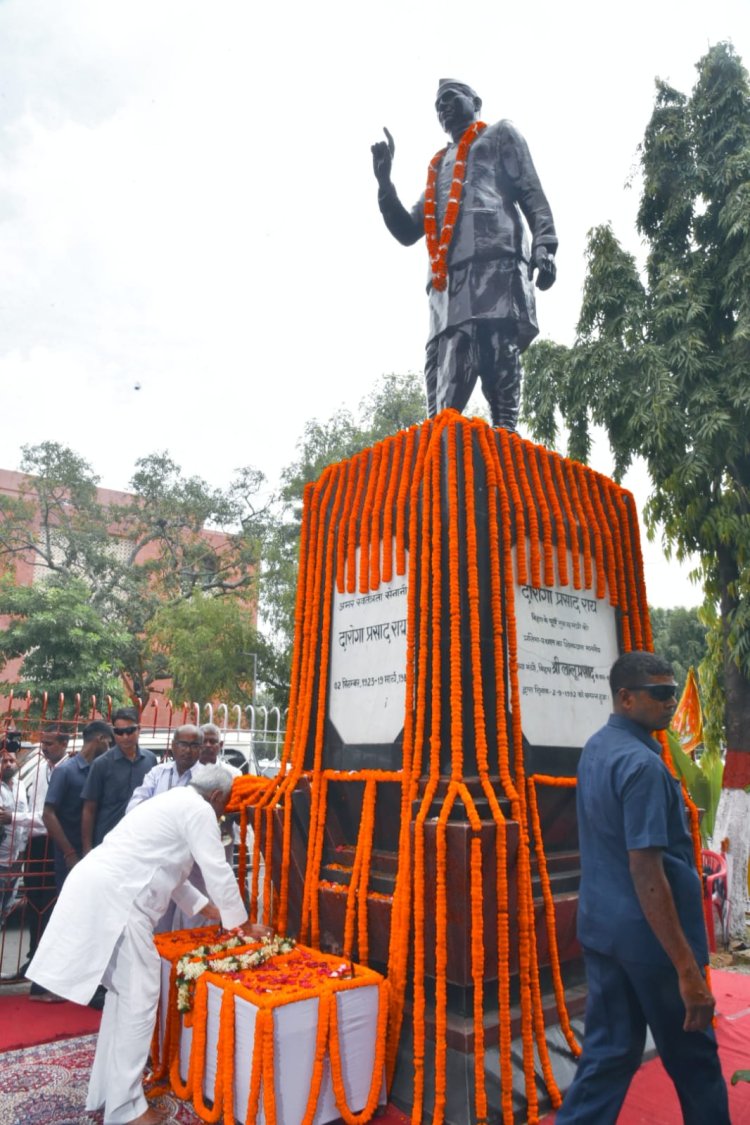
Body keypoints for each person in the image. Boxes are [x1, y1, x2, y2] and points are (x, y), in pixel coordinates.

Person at [555, 651, 730, 1125]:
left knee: (607, 1057)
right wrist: (687, 971)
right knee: (695, 1061)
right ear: (626, 698)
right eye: (659, 693)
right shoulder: (644, 768)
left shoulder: (596, 748)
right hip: (654, 945)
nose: (670, 702)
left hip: (604, 932)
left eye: (672, 691)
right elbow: (646, 872)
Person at [27, 765, 249, 1125]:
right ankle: (127, 1110)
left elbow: (167, 871)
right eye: (228, 806)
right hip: (120, 901)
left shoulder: (175, 801)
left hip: (105, 891)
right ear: (218, 797)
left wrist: (210, 909)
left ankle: (109, 1092)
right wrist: (242, 924)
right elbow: (218, 870)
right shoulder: (200, 810)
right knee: (140, 999)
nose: (226, 814)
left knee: (124, 999)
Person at [372, 78, 557, 431]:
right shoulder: (438, 167)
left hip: (496, 262)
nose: (442, 108)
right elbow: (408, 231)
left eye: (449, 99)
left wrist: (545, 244)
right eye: (437, 106)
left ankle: (505, 432)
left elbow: (531, 191)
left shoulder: (500, 135)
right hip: (448, 282)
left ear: (476, 101)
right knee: (444, 367)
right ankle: (441, 449)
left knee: (499, 346)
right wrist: (385, 185)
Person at [21, 724, 70, 985]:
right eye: (43, 742)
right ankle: (33, 958)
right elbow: (36, 810)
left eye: (49, 743)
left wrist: (15, 819)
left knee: (52, 905)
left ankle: (50, 966)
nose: (44, 748)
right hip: (36, 844)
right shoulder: (41, 770)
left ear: (64, 743)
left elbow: (49, 817)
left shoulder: (69, 771)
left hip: (56, 842)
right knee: (34, 904)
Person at [43, 720, 114, 890]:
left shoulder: (99, 771)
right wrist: (69, 853)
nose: (111, 750)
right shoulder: (65, 771)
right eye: (110, 744)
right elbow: (48, 814)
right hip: (71, 856)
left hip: (95, 853)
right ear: (101, 738)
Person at [81, 708, 157, 852]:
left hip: (141, 841)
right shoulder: (101, 764)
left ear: (139, 729)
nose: (125, 737)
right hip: (108, 841)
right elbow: (89, 808)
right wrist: (87, 848)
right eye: (119, 732)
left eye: (130, 731)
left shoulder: (150, 760)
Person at [125, 723, 205, 813]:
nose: (188, 750)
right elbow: (133, 806)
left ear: (201, 749)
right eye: (183, 744)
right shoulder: (157, 773)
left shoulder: (206, 777)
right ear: (173, 746)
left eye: (194, 746)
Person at [0, 730, 32, 924]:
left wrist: (21, 856)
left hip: (15, 860)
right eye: (4, 761)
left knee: (6, 911)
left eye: (11, 760)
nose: (9, 764)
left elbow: (25, 819)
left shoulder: (20, 786)